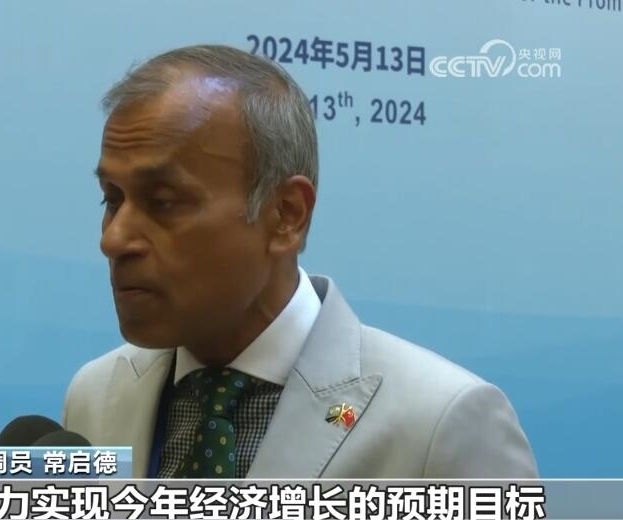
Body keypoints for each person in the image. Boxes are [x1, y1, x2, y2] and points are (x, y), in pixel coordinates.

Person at [61, 44, 538, 479]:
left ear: (286, 214)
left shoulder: (441, 424)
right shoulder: (95, 396)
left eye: (164, 202)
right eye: (112, 198)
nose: (114, 239)